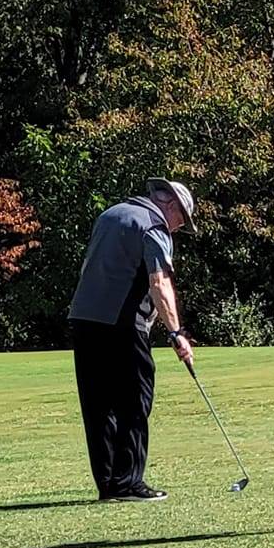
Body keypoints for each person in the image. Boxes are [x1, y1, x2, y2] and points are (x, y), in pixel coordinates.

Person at [66, 178, 197, 499]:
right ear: (171, 206)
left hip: (83, 320)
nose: (178, 228)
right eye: (181, 221)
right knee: (135, 400)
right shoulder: (154, 227)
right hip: (123, 324)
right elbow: (159, 282)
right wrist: (176, 333)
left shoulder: (110, 214)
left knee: (98, 405)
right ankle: (128, 483)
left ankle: (109, 484)